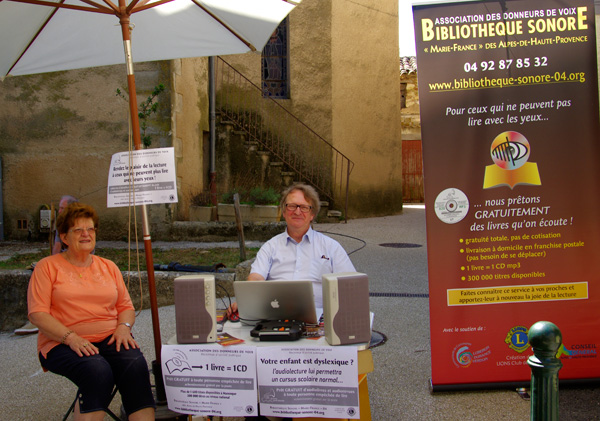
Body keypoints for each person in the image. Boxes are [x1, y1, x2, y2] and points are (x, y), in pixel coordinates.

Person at [27, 203, 155, 420]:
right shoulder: (47, 267)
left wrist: (124, 328)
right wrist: (71, 338)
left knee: (135, 366)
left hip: (110, 338)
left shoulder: (108, 266)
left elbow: (126, 307)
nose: (86, 234)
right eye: (78, 230)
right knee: (97, 371)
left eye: (91, 229)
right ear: (65, 237)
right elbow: (37, 314)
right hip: (61, 342)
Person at [229, 183, 356, 316]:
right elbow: (255, 277)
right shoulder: (270, 246)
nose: (297, 211)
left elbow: (350, 285)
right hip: (276, 316)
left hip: (321, 321)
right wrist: (247, 299)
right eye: (292, 206)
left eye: (304, 207)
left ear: (312, 214)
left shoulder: (331, 247)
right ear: (284, 212)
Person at [15, 195, 79, 336]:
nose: (60, 210)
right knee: (40, 271)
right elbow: (56, 248)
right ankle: (37, 316)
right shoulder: (61, 224)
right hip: (62, 260)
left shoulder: (80, 224)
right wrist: (49, 264)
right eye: (60, 208)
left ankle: (39, 318)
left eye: (63, 208)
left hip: (76, 261)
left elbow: (81, 251)